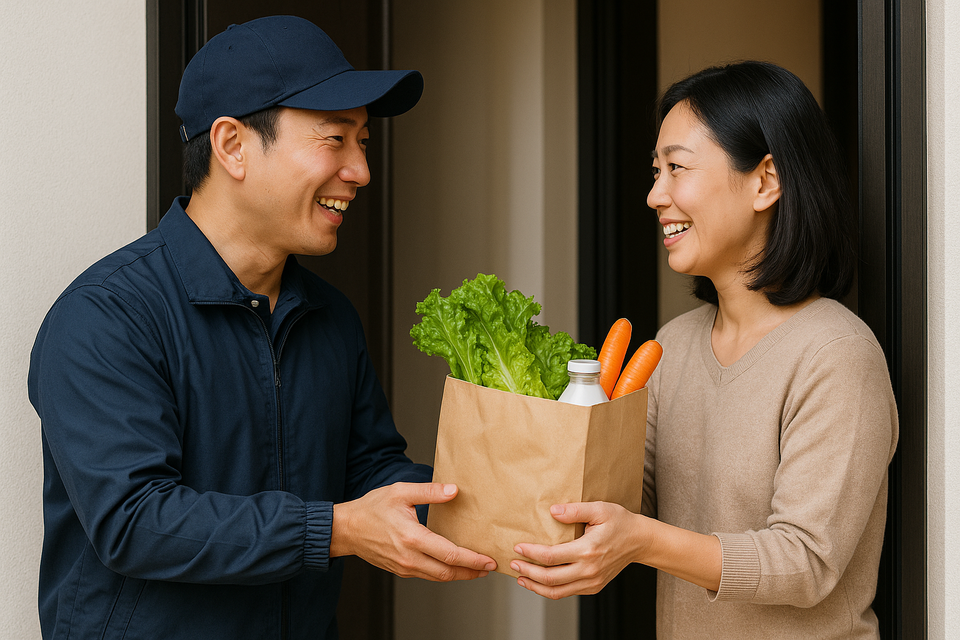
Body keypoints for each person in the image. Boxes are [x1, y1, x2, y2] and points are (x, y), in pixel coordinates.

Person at [28, 15, 495, 639]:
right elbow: (134, 522)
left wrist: (508, 509)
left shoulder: (330, 316)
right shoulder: (107, 315)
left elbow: (370, 472)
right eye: (335, 139)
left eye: (362, 142)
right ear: (232, 146)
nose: (360, 170)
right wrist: (337, 529)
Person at [511, 61, 899, 638]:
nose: (655, 195)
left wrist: (640, 541)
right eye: (655, 171)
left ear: (765, 181)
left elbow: (806, 562)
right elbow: (628, 503)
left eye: (677, 168)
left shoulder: (836, 354)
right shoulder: (674, 343)